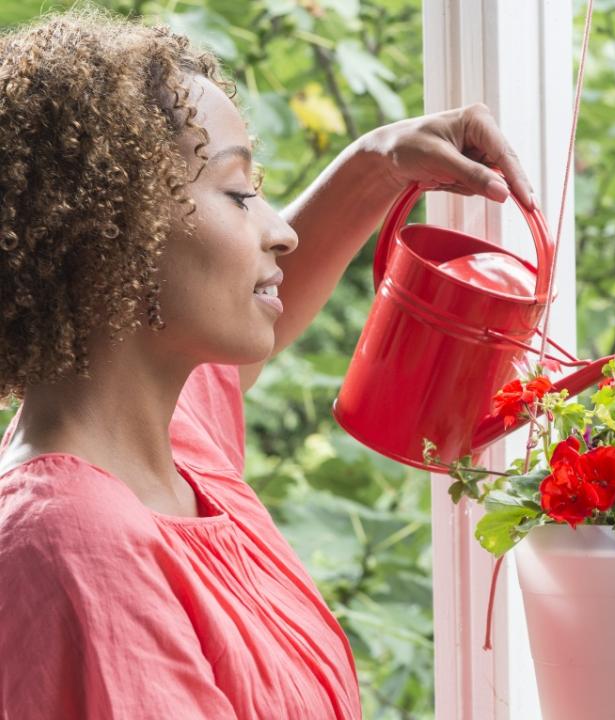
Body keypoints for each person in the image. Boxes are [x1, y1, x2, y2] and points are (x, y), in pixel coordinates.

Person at [0, 6, 534, 719]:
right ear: (115, 236)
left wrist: (382, 163)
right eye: (238, 192)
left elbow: (258, 314)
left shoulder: (173, 442)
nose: (279, 231)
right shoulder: (71, 547)